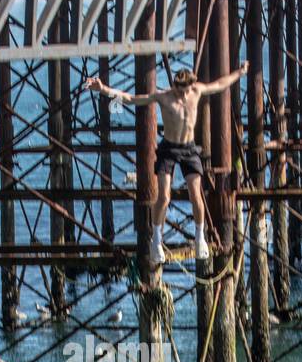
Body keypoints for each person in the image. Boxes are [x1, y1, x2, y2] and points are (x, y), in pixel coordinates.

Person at [85, 62, 249, 263]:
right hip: (169, 149)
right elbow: (131, 99)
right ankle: (156, 239)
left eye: (186, 91)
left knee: (196, 195)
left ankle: (199, 237)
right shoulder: (164, 96)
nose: (183, 96)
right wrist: (103, 89)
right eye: (180, 92)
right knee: (164, 197)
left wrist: (239, 72)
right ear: (174, 87)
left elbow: (219, 84)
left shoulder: (196, 91)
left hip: (189, 149)